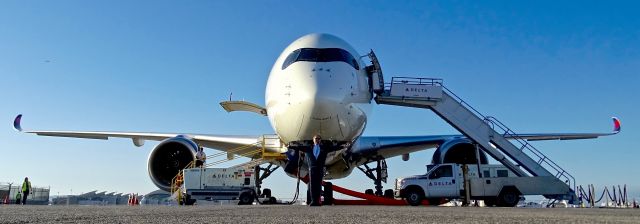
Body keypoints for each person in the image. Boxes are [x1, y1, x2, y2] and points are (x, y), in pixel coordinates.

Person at [291, 135, 339, 206]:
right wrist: (290, 146)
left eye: (319, 139)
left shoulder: (324, 148)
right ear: (313, 140)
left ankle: (318, 201)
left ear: (320, 140)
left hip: (320, 168)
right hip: (312, 168)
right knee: (312, 185)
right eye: (316, 139)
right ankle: (313, 201)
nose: (317, 140)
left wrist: (344, 146)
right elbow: (298, 148)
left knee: (318, 184)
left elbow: (333, 148)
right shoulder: (308, 148)